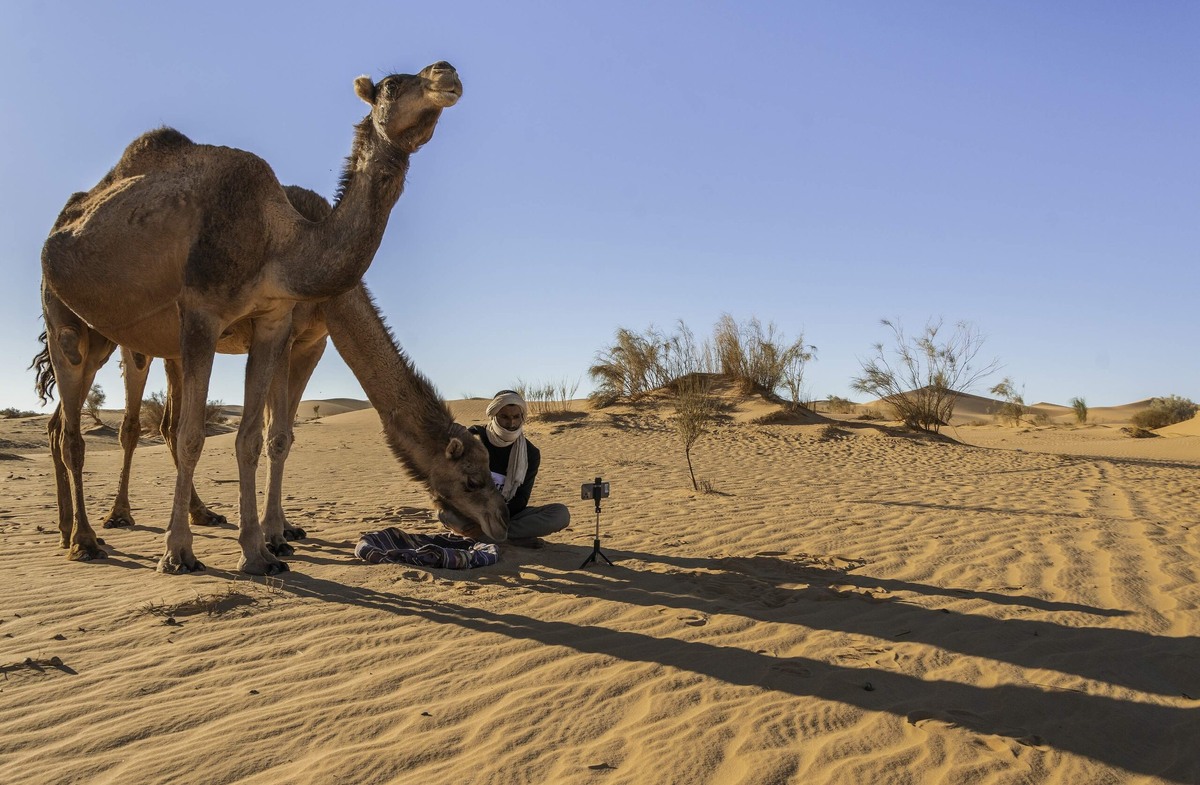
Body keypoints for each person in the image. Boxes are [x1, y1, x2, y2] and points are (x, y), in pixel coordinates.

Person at [440, 390, 570, 548]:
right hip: (470, 512)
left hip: (506, 516)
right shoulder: (472, 439)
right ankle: (510, 539)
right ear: (494, 415)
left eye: (516, 417)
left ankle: (489, 537)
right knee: (445, 513)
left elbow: (521, 499)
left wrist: (494, 520)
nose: (511, 423)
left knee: (560, 514)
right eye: (505, 417)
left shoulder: (530, 453)